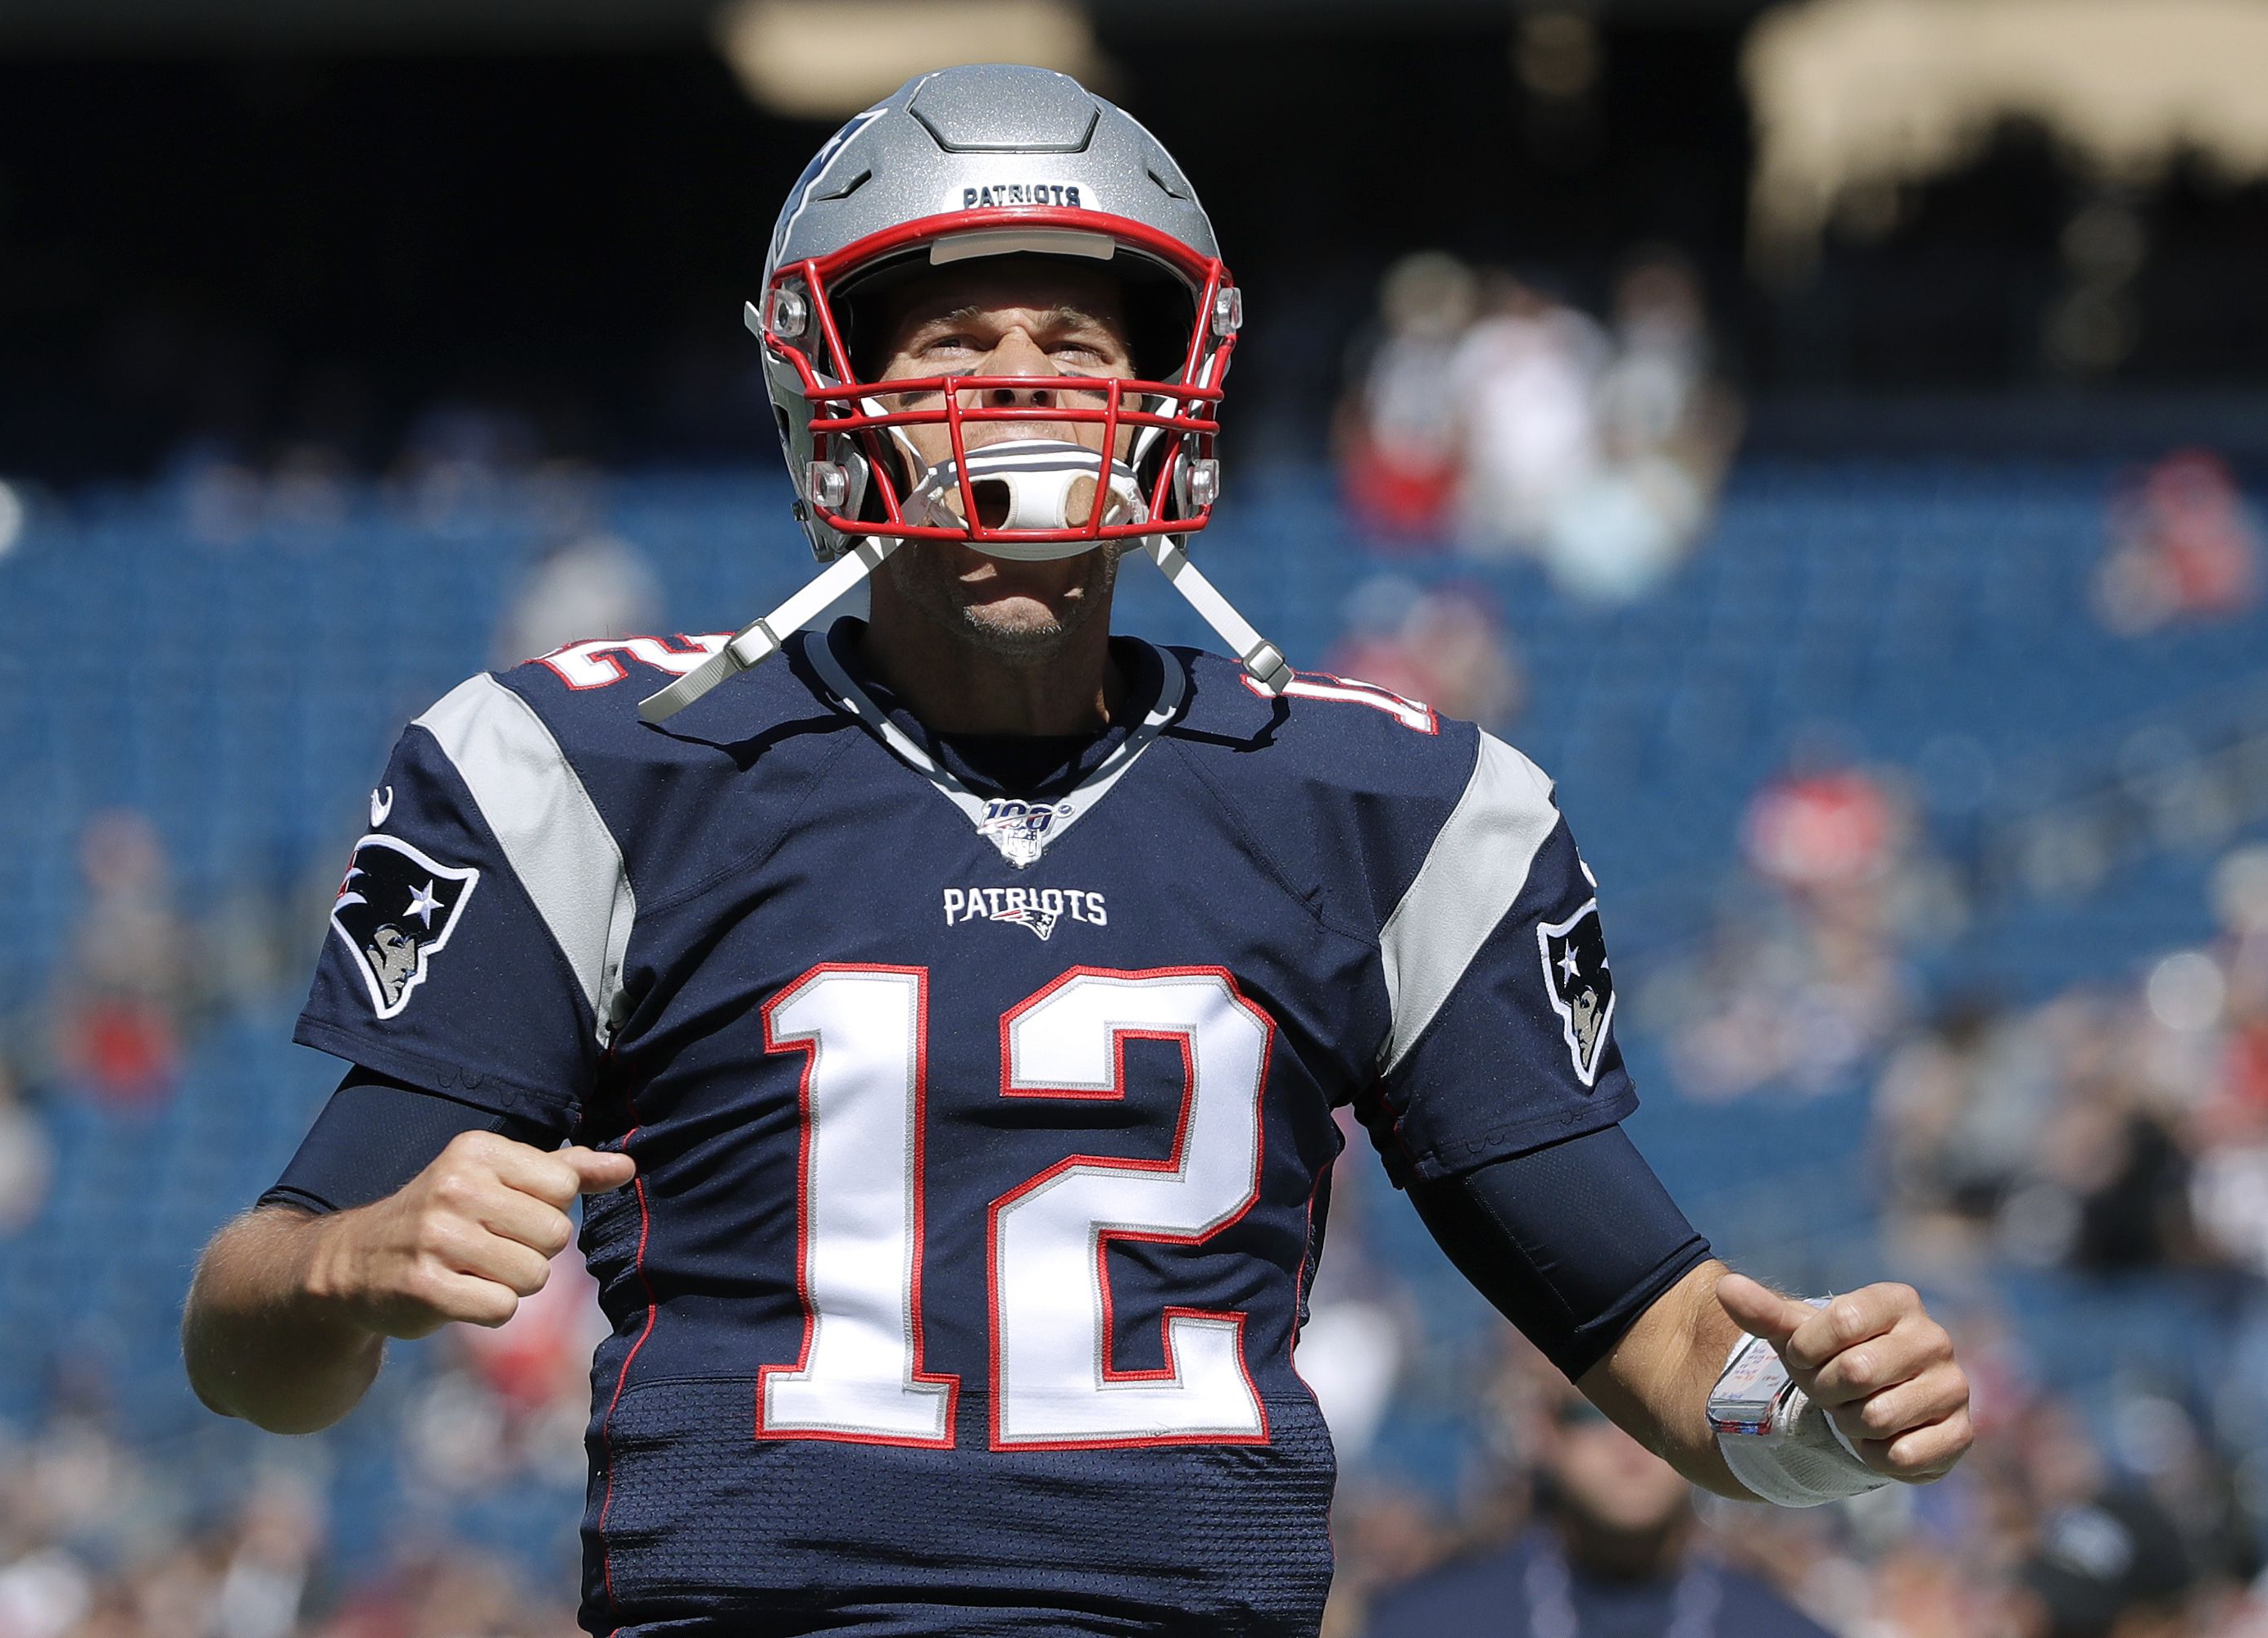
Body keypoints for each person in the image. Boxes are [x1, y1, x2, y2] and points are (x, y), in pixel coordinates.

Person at [182, 65, 1973, 1636]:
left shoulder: (1376, 807)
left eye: (1071, 340)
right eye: (953, 338)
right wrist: (348, 1266)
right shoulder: (602, 767)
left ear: (1172, 385)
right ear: (831, 381)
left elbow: (1668, 1352)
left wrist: (1807, 1425)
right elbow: (245, 1341)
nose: (1017, 391)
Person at [1366, 1392, 1834, 1638]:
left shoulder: (1787, 1629)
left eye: (1655, 1412)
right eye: (1594, 1410)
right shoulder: (1426, 1624)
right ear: (1544, 1432)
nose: (1627, 1438)